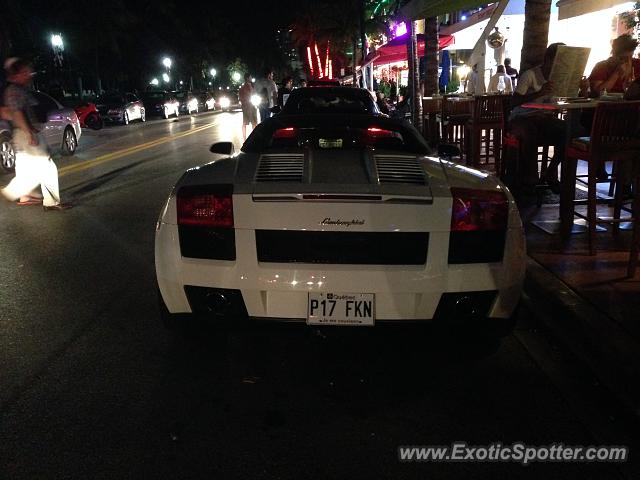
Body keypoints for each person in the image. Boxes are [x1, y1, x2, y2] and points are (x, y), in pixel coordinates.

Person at [1, 58, 70, 210]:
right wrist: (28, 132)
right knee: (47, 167)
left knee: (30, 170)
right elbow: (16, 112)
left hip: (25, 132)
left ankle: (21, 193)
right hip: (25, 133)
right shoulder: (14, 91)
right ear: (17, 74)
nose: (29, 74)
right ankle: (13, 192)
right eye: (25, 72)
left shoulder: (18, 89)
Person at [508, 43, 566, 189]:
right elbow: (514, 101)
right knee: (530, 132)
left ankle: (551, 171)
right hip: (520, 118)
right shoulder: (530, 75)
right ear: (548, 59)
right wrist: (539, 93)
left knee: (568, 131)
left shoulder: (559, 77)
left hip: (543, 117)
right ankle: (530, 176)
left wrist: (582, 90)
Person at [238, 73, 257, 141]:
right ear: (247, 78)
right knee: (250, 122)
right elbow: (242, 97)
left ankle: (248, 138)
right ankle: (248, 138)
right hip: (248, 106)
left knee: (250, 122)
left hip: (249, 106)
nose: (251, 78)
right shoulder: (245, 87)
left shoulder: (250, 86)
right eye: (250, 77)